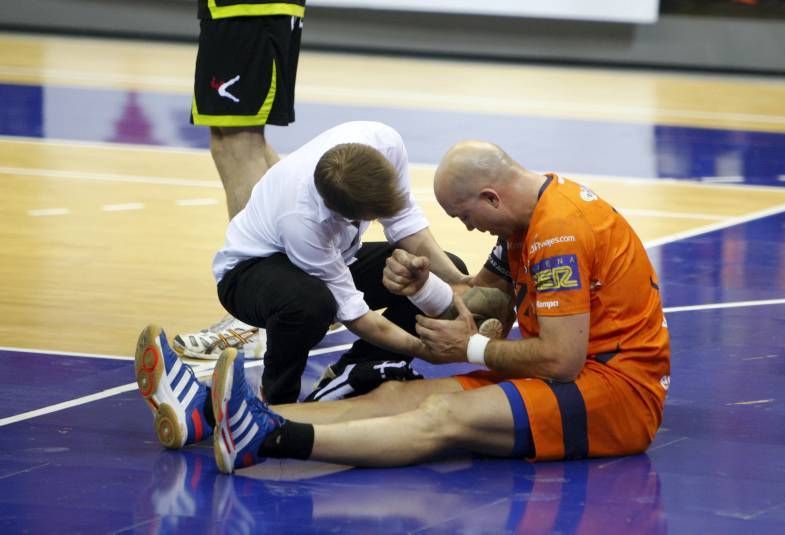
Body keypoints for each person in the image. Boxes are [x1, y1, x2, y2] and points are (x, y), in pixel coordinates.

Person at [206, 139, 671, 473]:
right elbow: (479, 302)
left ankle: (273, 438)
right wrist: (421, 285)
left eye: (466, 217)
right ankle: (233, 419)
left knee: (442, 419)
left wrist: (468, 349)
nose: (469, 230)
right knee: (397, 397)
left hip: (617, 393)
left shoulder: (558, 234)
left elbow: (561, 359)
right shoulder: (524, 220)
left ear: (491, 197)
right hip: (575, 372)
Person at [134, 121, 483, 449]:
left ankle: (349, 378)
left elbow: (405, 223)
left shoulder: (383, 141)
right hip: (249, 273)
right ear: (346, 216)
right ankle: (274, 408)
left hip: (336, 257)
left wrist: (462, 282)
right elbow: (356, 316)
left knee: (432, 277)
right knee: (311, 305)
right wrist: (430, 352)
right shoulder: (302, 219)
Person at [172, 0, 306, 361]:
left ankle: (259, 317)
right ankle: (304, 290)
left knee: (238, 144)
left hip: (248, 10)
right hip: (236, 10)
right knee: (232, 142)